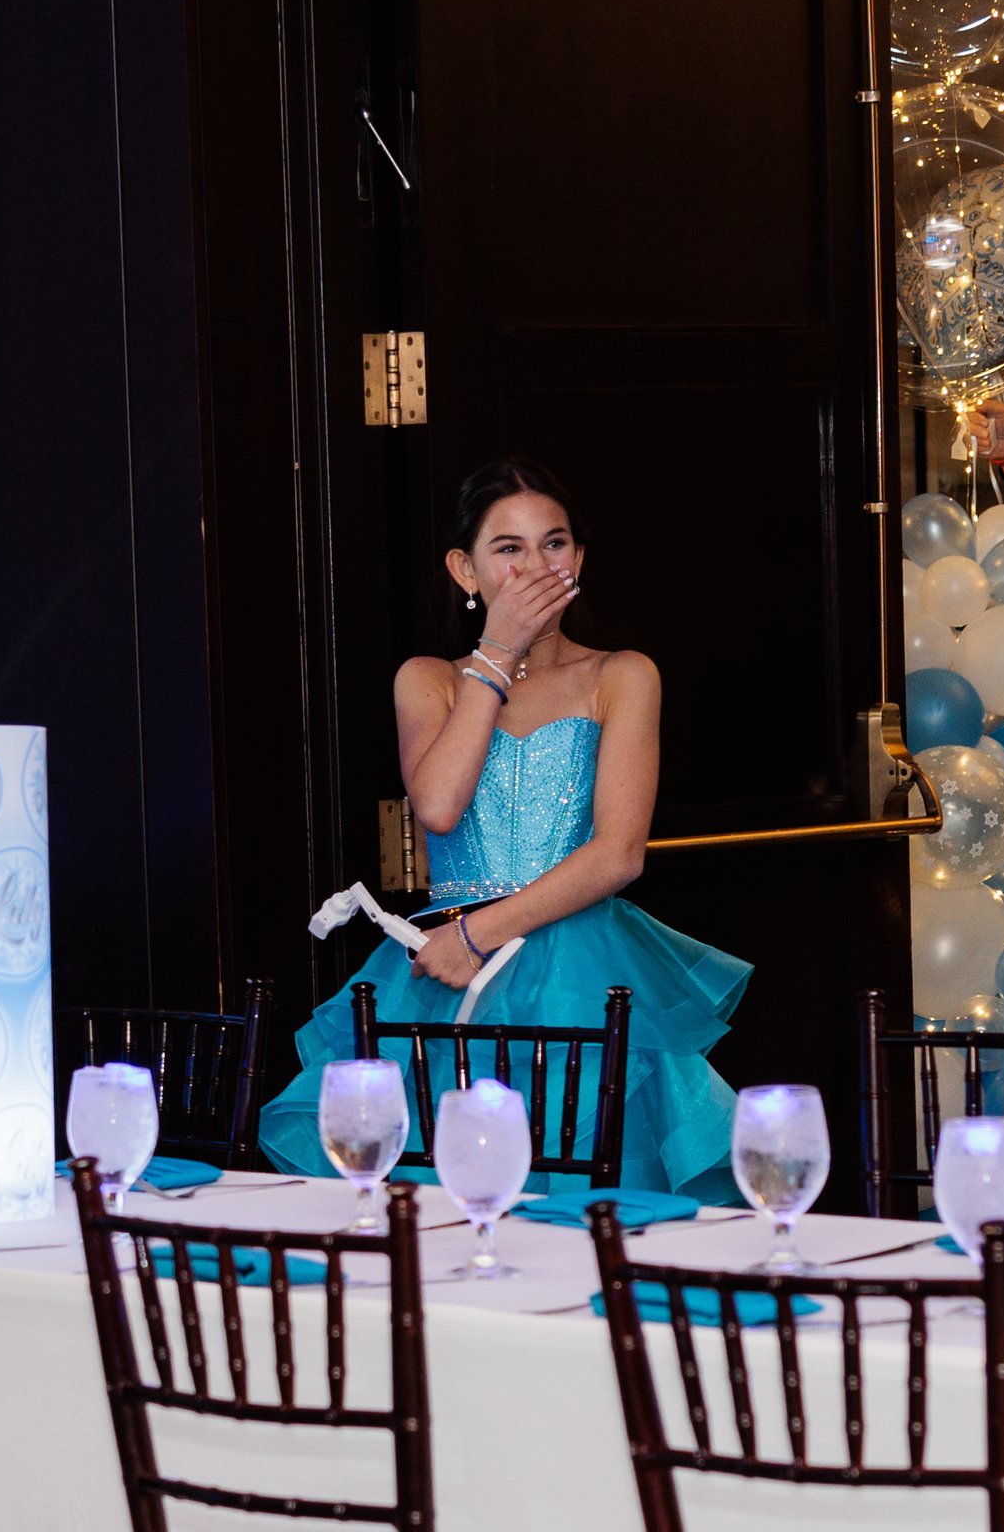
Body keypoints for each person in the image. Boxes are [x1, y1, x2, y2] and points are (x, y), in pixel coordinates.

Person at [255, 459, 747, 1200]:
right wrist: (497, 652)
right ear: (466, 569)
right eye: (508, 549)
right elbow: (440, 807)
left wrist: (481, 935)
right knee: (431, 1194)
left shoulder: (621, 674)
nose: (535, 566)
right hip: (444, 968)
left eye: (553, 544)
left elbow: (618, 853)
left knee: (593, 1186)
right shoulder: (430, 678)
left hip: (577, 960)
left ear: (577, 559)